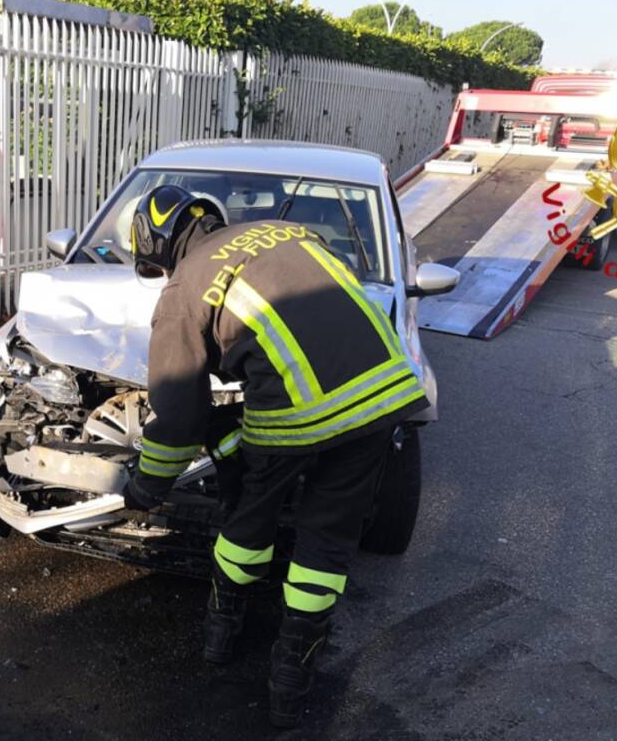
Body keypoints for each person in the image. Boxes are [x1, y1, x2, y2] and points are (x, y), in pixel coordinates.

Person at [123, 185, 429, 728]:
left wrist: (147, 485)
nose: (157, 272)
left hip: (299, 413)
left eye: (151, 262)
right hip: (385, 392)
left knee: (248, 520)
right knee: (327, 539)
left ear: (159, 242)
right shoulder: (289, 233)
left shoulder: (185, 287)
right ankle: (291, 680)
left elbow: (178, 417)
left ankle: (221, 638)